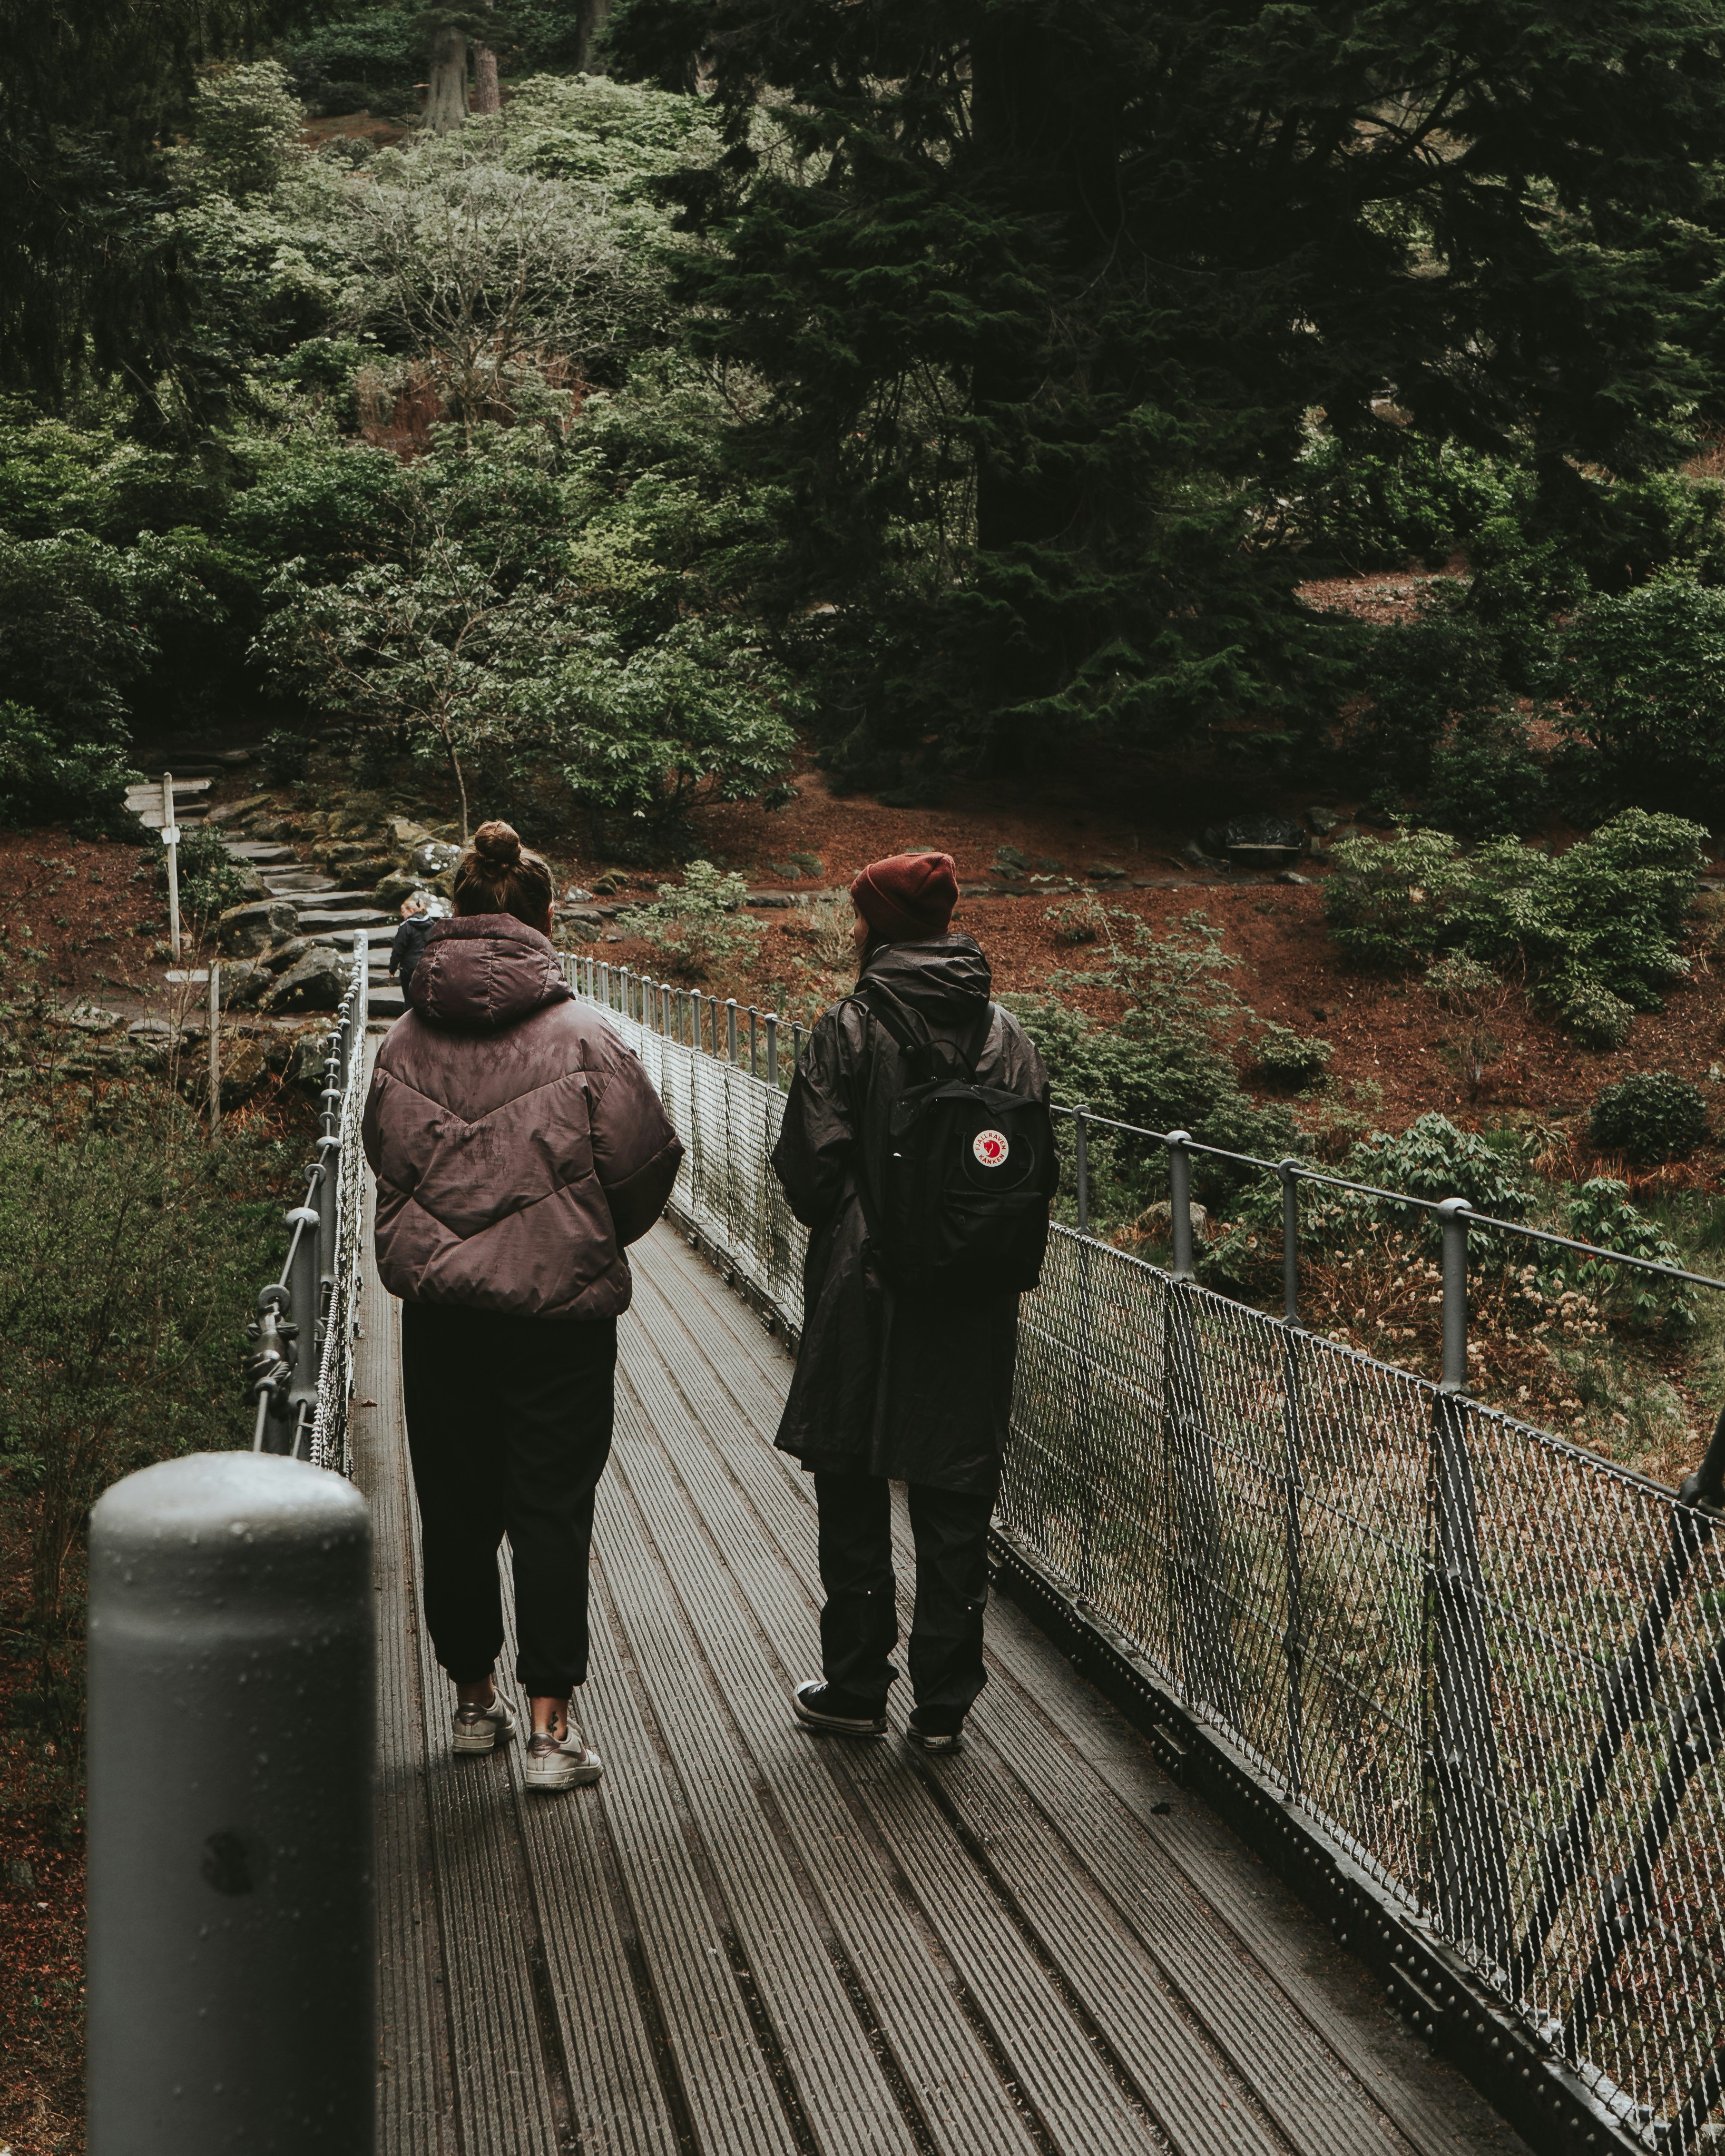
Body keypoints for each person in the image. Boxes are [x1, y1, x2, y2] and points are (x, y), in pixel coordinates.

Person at [361, 820, 682, 1791]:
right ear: (544, 920)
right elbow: (644, 1163)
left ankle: (470, 1705)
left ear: (457, 914)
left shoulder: (404, 1037)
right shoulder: (588, 1034)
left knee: (453, 1507)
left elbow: (385, 1156)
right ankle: (551, 1734)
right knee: (551, 1511)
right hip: (558, 1316)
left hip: (445, 1316)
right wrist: (578, 1233)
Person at [770, 850, 1049, 1753]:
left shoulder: (845, 1028)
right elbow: (1029, 1170)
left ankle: (854, 1685)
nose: (850, 928)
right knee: (953, 1486)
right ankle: (942, 1702)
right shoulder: (1007, 1034)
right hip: (970, 1290)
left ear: (880, 925)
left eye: (858, 914)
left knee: (853, 1482)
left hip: (864, 1286)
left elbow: (810, 1175)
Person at [389, 893, 434, 996]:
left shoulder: (406, 927)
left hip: (409, 969)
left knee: (410, 998)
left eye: (404, 912)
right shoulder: (432, 924)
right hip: (428, 966)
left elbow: (398, 950)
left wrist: (392, 969)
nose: (403, 916)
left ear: (412, 911)